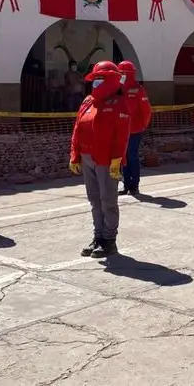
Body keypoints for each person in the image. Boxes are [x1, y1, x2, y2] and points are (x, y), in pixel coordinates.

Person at [69, 61, 131, 258]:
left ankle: (109, 240)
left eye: (100, 79)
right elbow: (77, 129)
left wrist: (117, 159)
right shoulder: (88, 101)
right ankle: (97, 237)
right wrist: (75, 155)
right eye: (94, 79)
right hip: (87, 158)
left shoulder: (119, 103)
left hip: (106, 160)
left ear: (112, 81)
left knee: (108, 201)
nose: (96, 82)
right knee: (94, 200)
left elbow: (122, 135)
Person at [117, 61, 151, 197]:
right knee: (123, 157)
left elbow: (146, 110)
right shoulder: (118, 89)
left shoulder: (138, 89)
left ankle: (134, 185)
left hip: (135, 130)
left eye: (122, 74)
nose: (120, 76)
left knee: (132, 156)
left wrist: (144, 125)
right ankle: (126, 184)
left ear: (128, 74)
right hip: (121, 130)